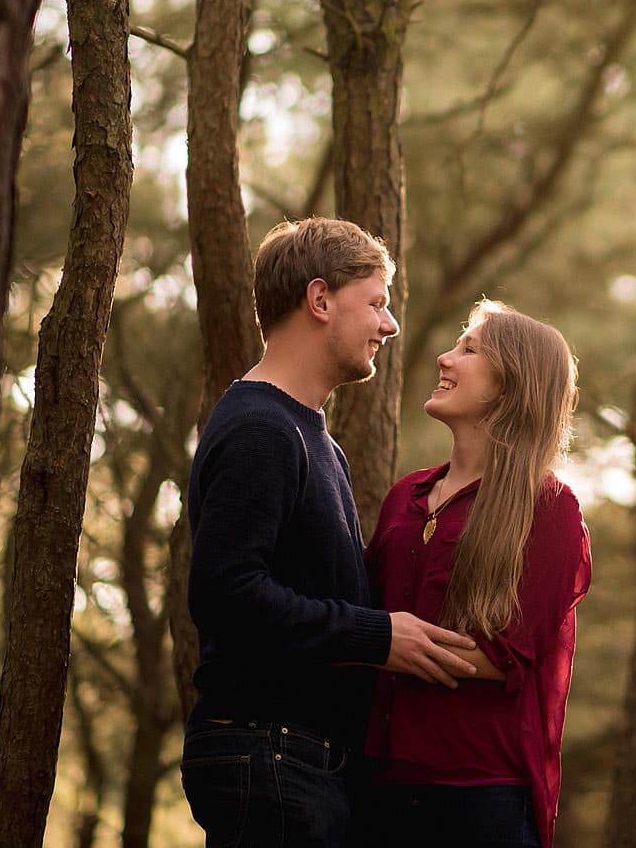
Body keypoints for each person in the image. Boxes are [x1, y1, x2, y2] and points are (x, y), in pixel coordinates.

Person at [181, 217, 483, 848]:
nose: (390, 325)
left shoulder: (311, 437)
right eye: (375, 303)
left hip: (297, 759)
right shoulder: (261, 428)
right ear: (319, 300)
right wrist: (376, 636)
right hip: (269, 754)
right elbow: (224, 592)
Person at [359, 300, 592, 848]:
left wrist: (390, 644)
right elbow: (364, 614)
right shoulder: (404, 495)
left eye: (468, 349)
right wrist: (379, 638)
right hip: (373, 786)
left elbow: (508, 656)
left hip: (481, 797)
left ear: (514, 384)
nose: (444, 357)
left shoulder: (550, 508)